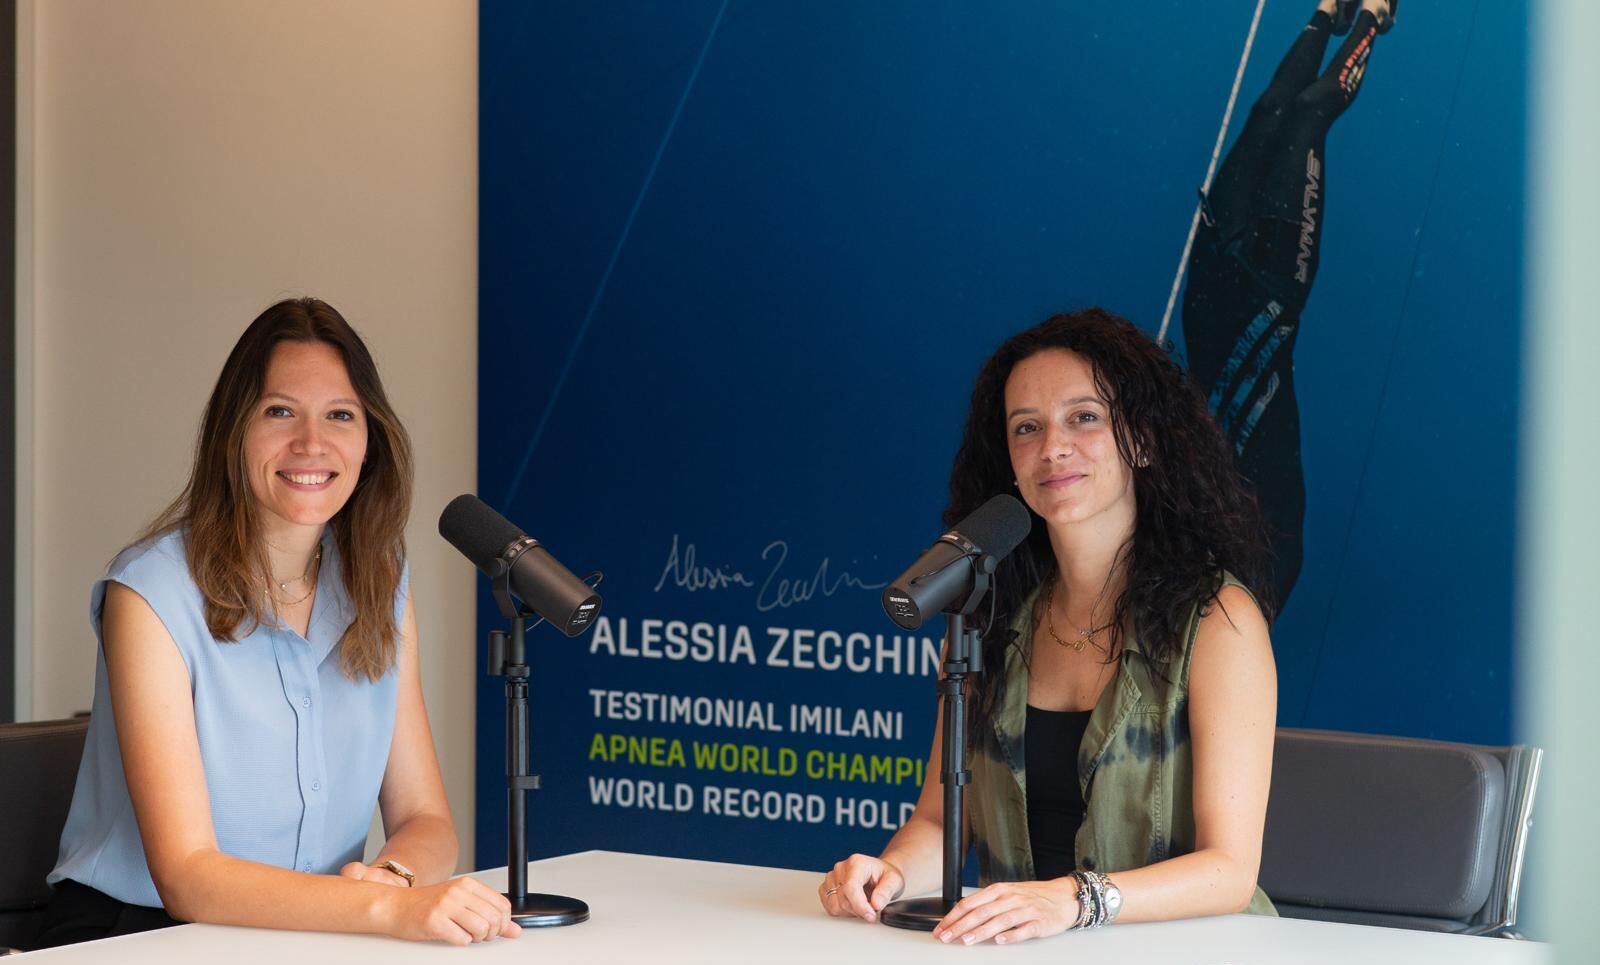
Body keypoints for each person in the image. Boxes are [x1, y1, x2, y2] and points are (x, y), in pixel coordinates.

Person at [37, 298, 519, 947]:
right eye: (280, 411)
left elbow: (424, 817)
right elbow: (187, 876)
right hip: (138, 935)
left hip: (315, 928)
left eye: (340, 415)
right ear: (233, 431)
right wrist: (383, 909)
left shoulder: (379, 580)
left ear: (370, 441)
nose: (312, 443)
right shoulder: (150, 593)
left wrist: (392, 877)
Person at [819, 308, 1278, 944]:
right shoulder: (986, 618)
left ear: (1143, 440)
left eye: (1083, 417)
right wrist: (890, 873)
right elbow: (939, 824)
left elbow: (1229, 871)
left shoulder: (1219, 620)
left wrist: (1072, 900)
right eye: (1026, 427)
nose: (1052, 447)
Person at [1183, 0, 1395, 607]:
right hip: (1273, 280)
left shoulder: (1187, 481)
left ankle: (1329, 9)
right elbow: (1276, 570)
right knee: (1307, 115)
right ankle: (1375, 15)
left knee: (1268, 109)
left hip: (1216, 264)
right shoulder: (1271, 518)